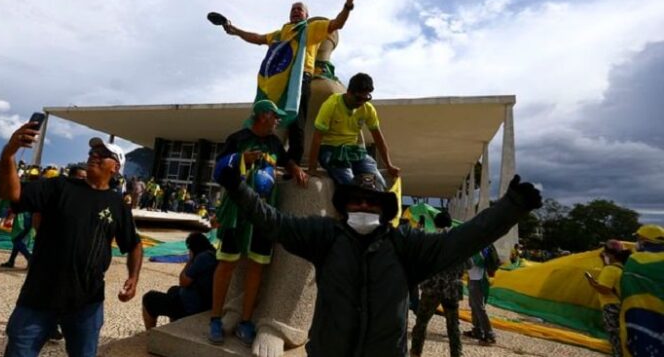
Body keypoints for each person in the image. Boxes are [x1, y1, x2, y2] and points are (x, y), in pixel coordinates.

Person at [213, 153, 542, 357]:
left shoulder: (405, 245)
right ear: (345, 206)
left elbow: (462, 241)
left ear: (384, 210)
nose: (364, 206)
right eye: (356, 200)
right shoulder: (325, 236)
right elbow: (274, 222)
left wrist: (511, 208)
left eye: (371, 202)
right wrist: (238, 188)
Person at [0, 123, 143, 357]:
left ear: (115, 167)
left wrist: (133, 278)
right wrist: (8, 154)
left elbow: (134, 244)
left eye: (103, 153)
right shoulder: (59, 187)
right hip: (39, 296)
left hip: (87, 303)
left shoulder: (117, 205)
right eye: (93, 151)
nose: (94, 155)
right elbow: (12, 194)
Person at [221, 0, 357, 163]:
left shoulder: (310, 29)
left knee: (296, 122)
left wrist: (348, 4)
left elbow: (336, 24)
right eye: (293, 9)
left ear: (306, 15)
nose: (295, 11)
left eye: (300, 9)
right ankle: (262, 154)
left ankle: (293, 163)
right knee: (269, 118)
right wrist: (236, 31)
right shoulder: (281, 34)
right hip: (278, 82)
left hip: (300, 80)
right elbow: (258, 38)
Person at [209, 100, 308, 346]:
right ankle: (215, 319)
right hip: (237, 210)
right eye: (275, 116)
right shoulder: (237, 138)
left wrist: (295, 168)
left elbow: (285, 160)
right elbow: (218, 170)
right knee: (227, 264)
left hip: (264, 212)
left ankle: (245, 321)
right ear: (263, 115)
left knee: (257, 266)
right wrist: (242, 158)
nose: (278, 121)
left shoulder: (274, 143)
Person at [308, 72, 400, 187]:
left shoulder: (368, 109)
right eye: (358, 98)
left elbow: (378, 138)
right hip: (331, 150)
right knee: (351, 184)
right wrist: (312, 168)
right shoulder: (331, 105)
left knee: (378, 183)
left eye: (366, 98)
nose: (361, 103)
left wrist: (389, 165)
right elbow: (317, 138)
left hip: (353, 151)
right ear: (349, 92)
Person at [410, 212, 470, 357]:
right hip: (452, 290)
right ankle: (457, 354)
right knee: (453, 326)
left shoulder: (431, 240)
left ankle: (415, 353)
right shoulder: (460, 243)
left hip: (432, 288)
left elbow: (420, 261)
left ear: (436, 223)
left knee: (421, 323)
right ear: (450, 223)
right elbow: (469, 264)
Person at [142, 232, 218, 329]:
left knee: (149, 298)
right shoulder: (213, 254)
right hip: (204, 302)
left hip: (191, 307)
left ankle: (149, 333)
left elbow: (183, 281)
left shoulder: (202, 258)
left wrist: (190, 260)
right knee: (173, 290)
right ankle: (174, 327)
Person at [618, 224, 664, 356]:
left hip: (641, 314)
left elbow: (626, 285)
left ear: (645, 240)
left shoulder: (636, 260)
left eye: (638, 239)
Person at [585, 240, 630, 357]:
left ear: (610, 255)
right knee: (622, 336)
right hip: (622, 305)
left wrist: (591, 282)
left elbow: (605, 289)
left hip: (611, 306)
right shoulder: (622, 268)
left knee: (615, 337)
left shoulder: (610, 269)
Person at [464, 247, 497, 345]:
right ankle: (477, 330)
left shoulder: (478, 247)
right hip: (473, 279)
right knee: (473, 305)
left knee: (479, 307)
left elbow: (474, 263)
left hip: (478, 280)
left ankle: (489, 335)